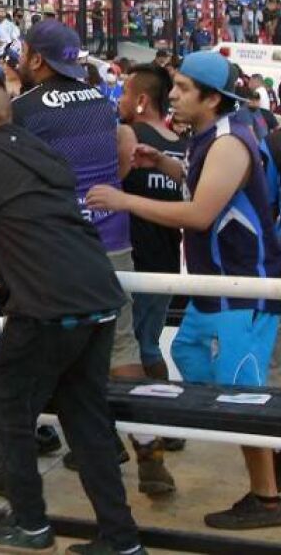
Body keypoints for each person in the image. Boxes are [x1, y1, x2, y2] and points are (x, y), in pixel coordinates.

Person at [0, 73, 143, 555]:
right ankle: (121, 540)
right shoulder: (42, 152)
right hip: (98, 297)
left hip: (46, 308)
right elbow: (36, 223)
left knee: (9, 408)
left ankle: (31, 524)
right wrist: (0, 262)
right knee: (88, 420)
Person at [88, 51, 281, 531]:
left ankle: (268, 496)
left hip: (242, 291)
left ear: (213, 98)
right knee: (198, 366)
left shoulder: (229, 143)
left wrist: (123, 199)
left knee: (241, 397)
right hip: (213, 292)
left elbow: (199, 214)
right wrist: (168, 167)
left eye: (183, 88)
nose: (170, 94)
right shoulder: (208, 138)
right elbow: (202, 190)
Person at [13, 18, 174, 496]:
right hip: (113, 237)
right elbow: (122, 157)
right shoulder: (105, 105)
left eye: (25, 52)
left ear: (37, 59)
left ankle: (63, 453)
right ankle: (150, 450)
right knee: (122, 345)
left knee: (46, 348)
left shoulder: (23, 109)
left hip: (58, 244)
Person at [116, 64, 185, 388]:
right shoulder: (183, 147)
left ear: (141, 99)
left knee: (131, 349)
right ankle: (159, 424)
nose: (119, 99)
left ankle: (152, 425)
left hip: (134, 262)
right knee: (149, 345)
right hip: (168, 262)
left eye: (125, 92)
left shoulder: (130, 136)